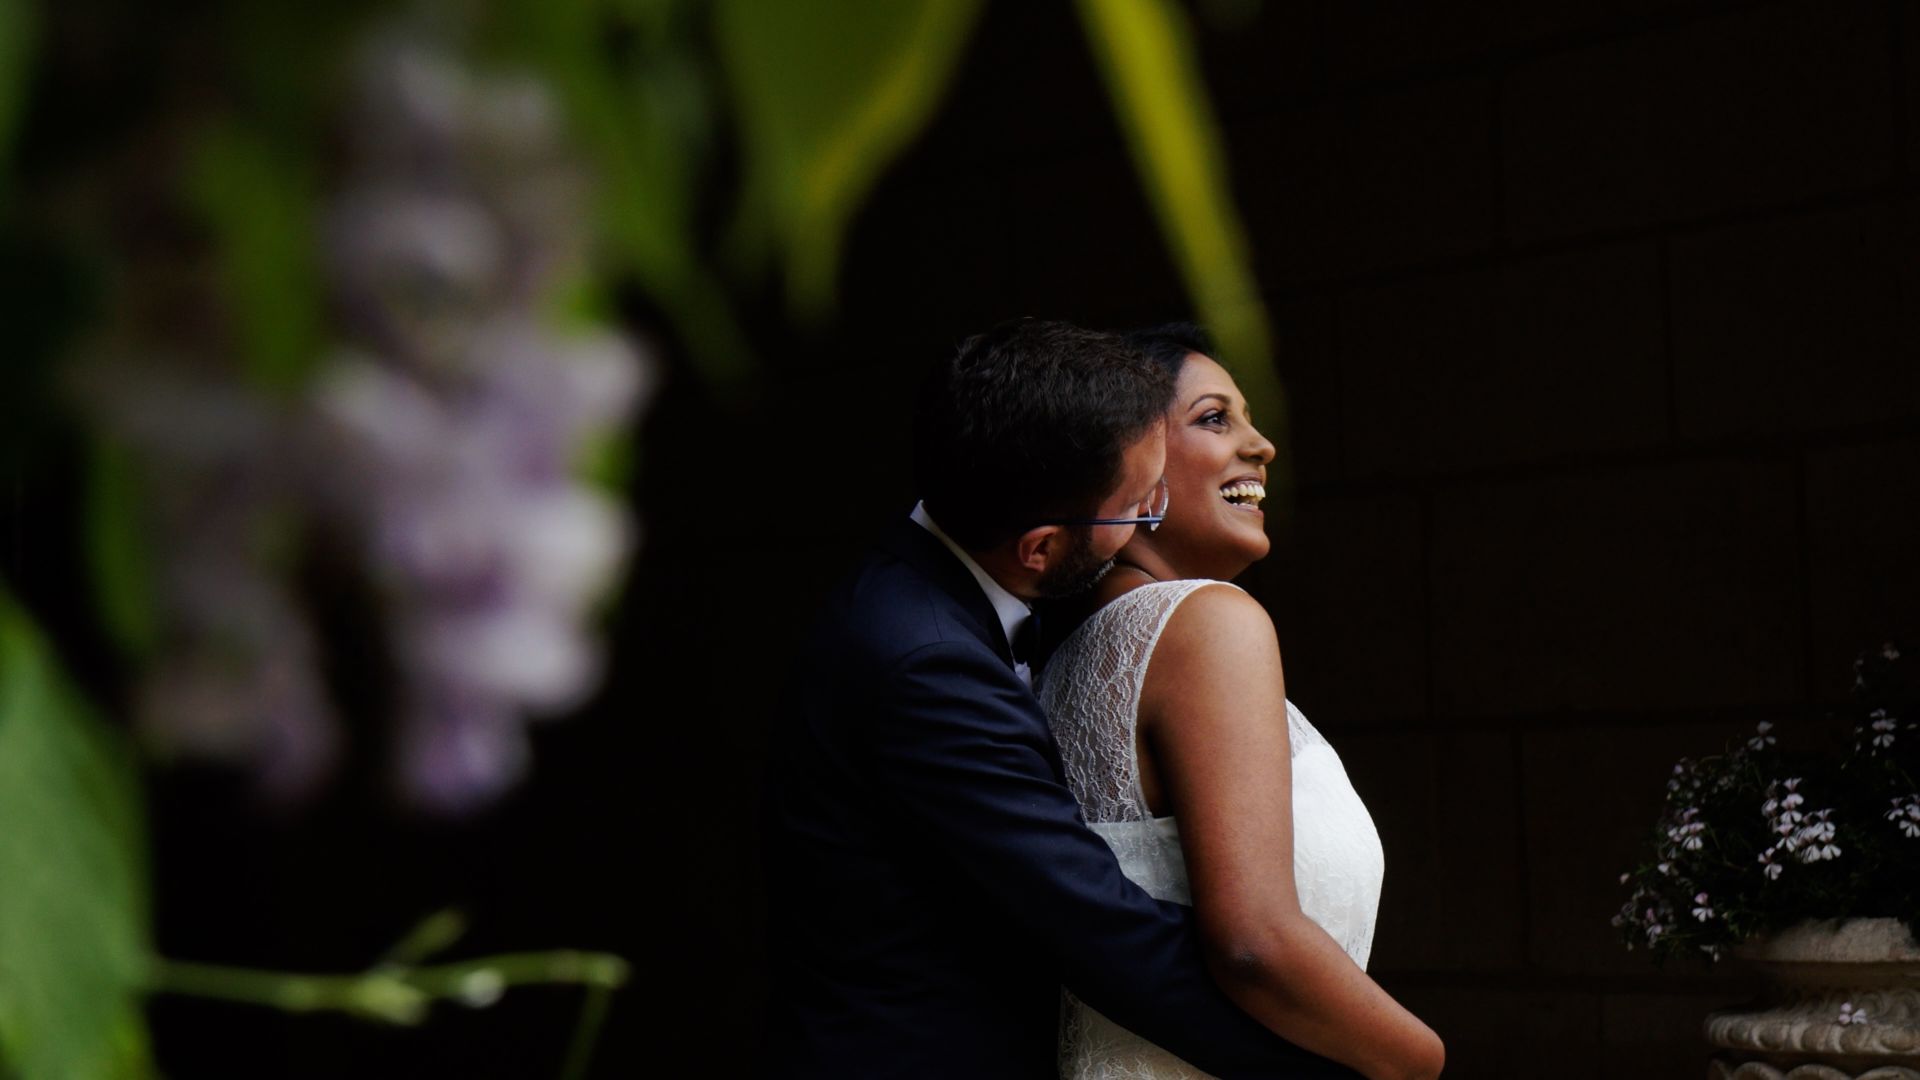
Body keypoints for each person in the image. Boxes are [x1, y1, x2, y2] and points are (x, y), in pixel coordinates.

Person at [761, 319, 1361, 1079]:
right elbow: (1097, 926)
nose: (1148, 522)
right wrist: (1368, 1059)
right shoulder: (926, 661)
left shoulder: (947, 596)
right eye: (1136, 511)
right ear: (1040, 548)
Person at [1039, 324, 1445, 1080]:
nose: (1262, 446)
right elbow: (1255, 943)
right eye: (1215, 418)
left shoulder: (1076, 656)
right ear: (1133, 465)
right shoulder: (1209, 623)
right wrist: (1423, 1060)